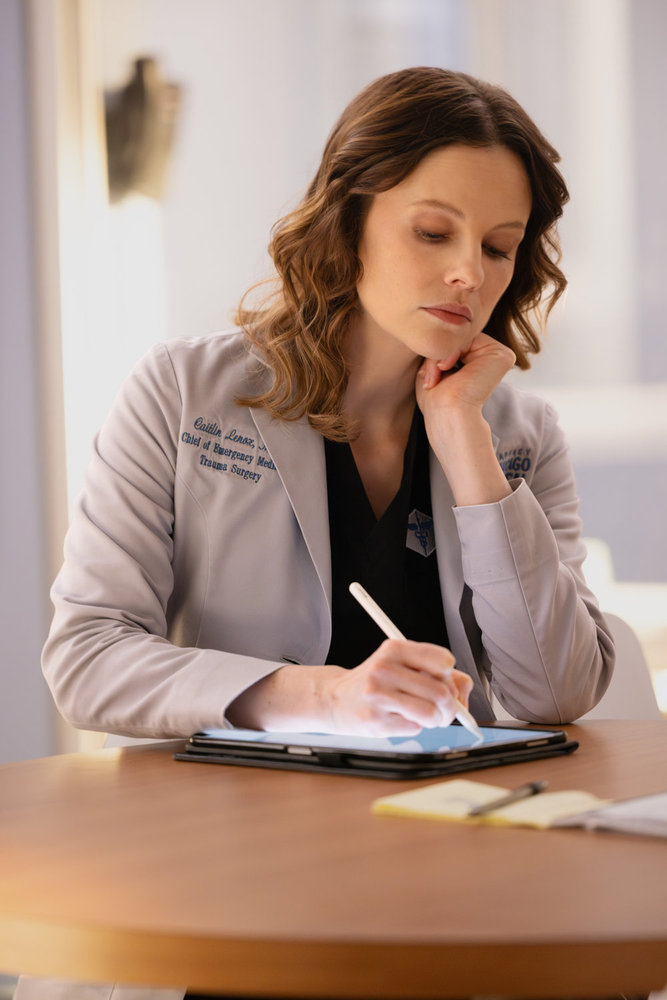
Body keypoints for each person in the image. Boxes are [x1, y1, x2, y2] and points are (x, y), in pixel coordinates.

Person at [21, 67, 614, 1000]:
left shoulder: (516, 434)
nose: (470, 272)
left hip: (454, 884)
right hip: (227, 884)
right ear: (348, 221)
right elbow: (88, 658)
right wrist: (322, 697)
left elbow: (557, 692)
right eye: (433, 232)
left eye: (499, 247)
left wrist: (464, 439)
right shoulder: (182, 393)